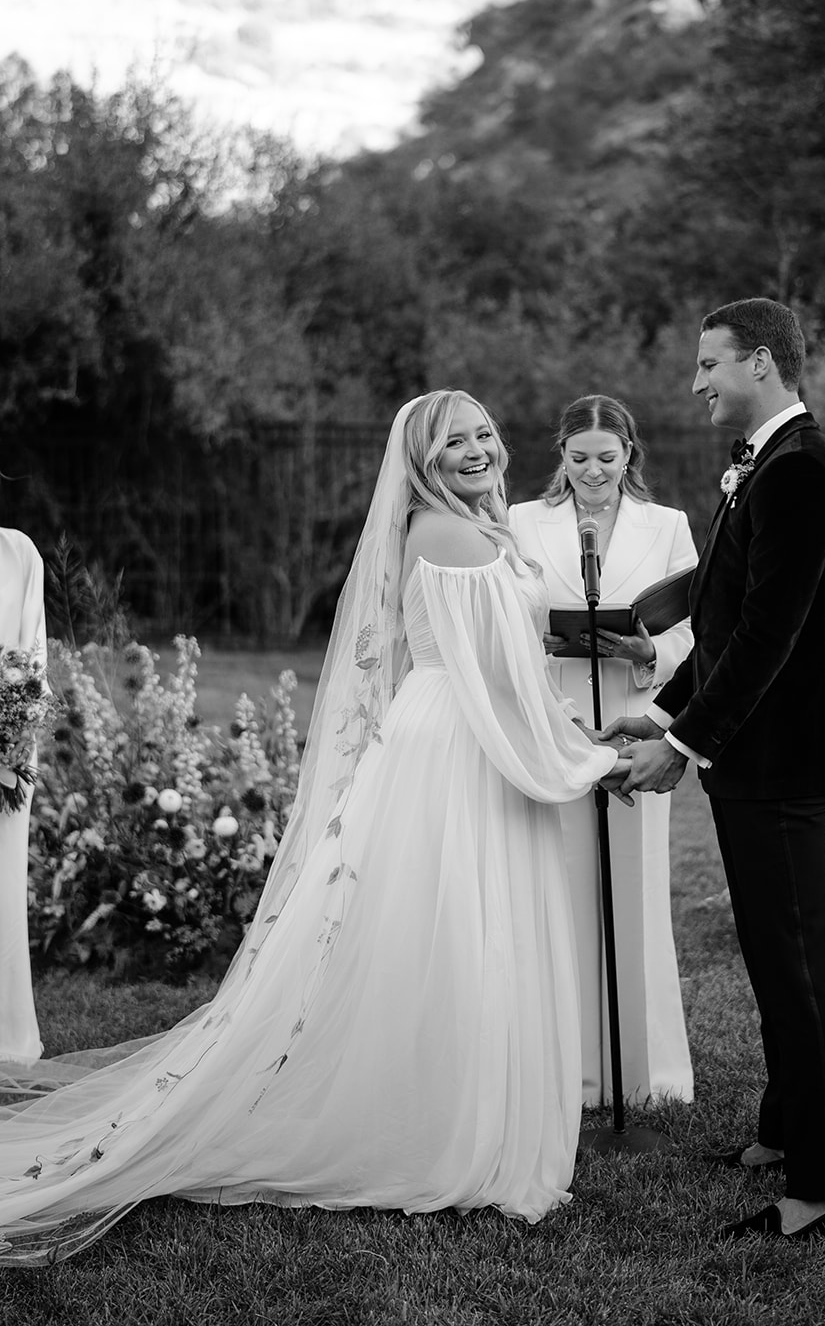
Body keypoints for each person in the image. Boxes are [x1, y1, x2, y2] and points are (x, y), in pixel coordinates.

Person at [0, 391, 626, 1266]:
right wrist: (586, 757)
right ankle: (450, 1133)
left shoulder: (476, 528)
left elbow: (513, 672)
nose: (477, 450)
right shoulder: (446, 536)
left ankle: (459, 1109)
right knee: (457, 933)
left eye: (483, 434)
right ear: (421, 461)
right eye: (454, 442)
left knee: (461, 934)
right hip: (457, 746)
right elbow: (497, 681)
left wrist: (577, 736)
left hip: (467, 736)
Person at [604, 299, 825, 1241]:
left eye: (709, 363)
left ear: (760, 363)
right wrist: (669, 710)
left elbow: (765, 641)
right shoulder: (767, 468)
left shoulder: (798, 476)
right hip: (754, 750)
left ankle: (823, 1182)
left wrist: (678, 748)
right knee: (770, 956)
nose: (698, 381)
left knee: (796, 972)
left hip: (780, 757)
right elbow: (723, 618)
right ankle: (784, 1128)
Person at [510, 395, 696, 1107]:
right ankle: (563, 1068)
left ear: (629, 457)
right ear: (561, 455)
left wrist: (650, 650)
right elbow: (504, 618)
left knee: (633, 885)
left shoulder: (668, 527)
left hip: (633, 718)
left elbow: (694, 630)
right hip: (553, 718)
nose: (593, 471)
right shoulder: (524, 523)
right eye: (579, 457)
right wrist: (548, 643)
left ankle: (638, 1068)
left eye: (607, 458)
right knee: (556, 885)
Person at [0, 528, 46, 1068]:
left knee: (4, 880)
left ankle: (8, 1029)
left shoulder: (19, 552)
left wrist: (14, 734)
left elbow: (34, 658)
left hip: (10, 744)